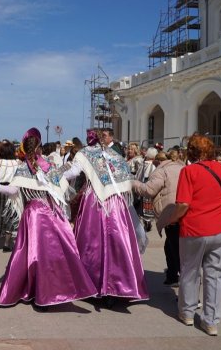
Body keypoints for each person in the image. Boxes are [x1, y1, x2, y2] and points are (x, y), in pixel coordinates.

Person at [0, 128, 97, 310]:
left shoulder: (23, 167)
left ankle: (32, 289)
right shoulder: (48, 166)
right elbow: (67, 177)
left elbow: (12, 190)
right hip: (52, 213)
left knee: (30, 254)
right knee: (55, 254)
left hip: (34, 214)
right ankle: (53, 290)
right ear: (39, 148)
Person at [161, 133, 221, 336]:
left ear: (191, 151)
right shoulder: (220, 168)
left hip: (194, 229)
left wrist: (173, 218)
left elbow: (183, 204)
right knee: (215, 275)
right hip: (220, 227)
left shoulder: (188, 171)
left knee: (190, 272)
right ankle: (211, 321)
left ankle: (188, 312)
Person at [73, 129, 148, 307]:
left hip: (95, 203)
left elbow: (73, 171)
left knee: (93, 243)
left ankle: (92, 284)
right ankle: (118, 287)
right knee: (117, 243)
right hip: (116, 204)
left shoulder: (85, 154)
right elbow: (125, 181)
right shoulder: (116, 156)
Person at [132, 149, 184, 286]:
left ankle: (186, 286)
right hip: (183, 210)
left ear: (158, 161)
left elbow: (149, 190)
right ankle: (172, 275)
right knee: (172, 245)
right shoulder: (183, 167)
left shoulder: (162, 171)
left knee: (175, 247)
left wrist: (132, 183)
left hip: (170, 212)